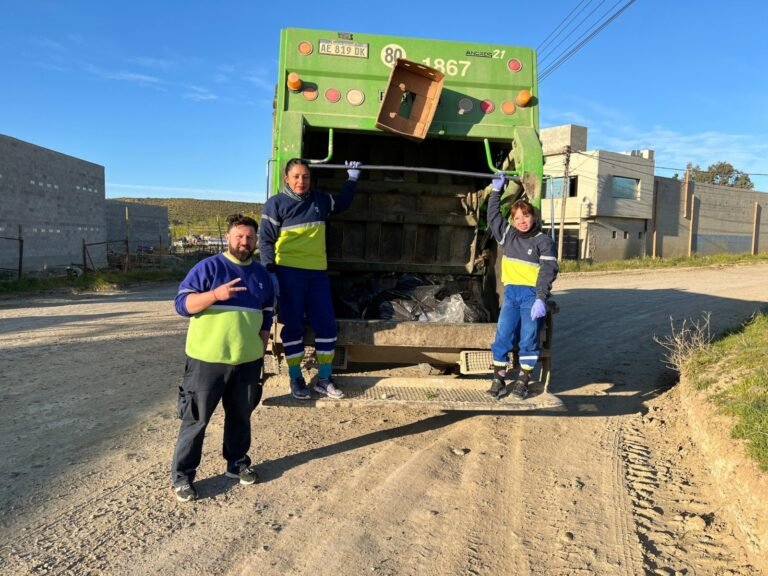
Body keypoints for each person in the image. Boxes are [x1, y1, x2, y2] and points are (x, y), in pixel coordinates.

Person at [170, 213, 275, 502]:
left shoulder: (262, 276)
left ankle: (237, 464)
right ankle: (182, 477)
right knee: (197, 420)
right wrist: (215, 294)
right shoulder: (209, 268)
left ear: (256, 240)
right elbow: (182, 305)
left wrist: (261, 346)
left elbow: (268, 315)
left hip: (247, 361)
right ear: (228, 237)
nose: (244, 241)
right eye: (239, 236)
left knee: (241, 416)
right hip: (207, 360)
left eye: (250, 237)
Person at [259, 158, 361, 400]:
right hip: (288, 273)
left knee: (326, 326)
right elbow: (265, 241)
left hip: (317, 274)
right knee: (293, 327)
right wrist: (269, 271)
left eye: (305, 176)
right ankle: (296, 378)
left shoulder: (321, 200)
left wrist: (353, 178)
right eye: (296, 176)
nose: (301, 181)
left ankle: (324, 379)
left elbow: (343, 202)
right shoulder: (275, 204)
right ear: (286, 178)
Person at [486, 173, 558, 400]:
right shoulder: (507, 236)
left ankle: (523, 380)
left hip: (531, 296)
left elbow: (548, 271)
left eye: (525, 216)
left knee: (529, 338)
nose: (521, 221)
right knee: (503, 335)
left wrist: (540, 297)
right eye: (517, 218)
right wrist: (496, 192)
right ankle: (499, 378)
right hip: (511, 294)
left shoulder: (543, 242)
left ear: (533, 218)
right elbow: (493, 217)